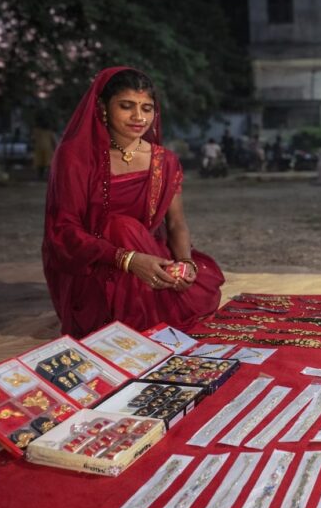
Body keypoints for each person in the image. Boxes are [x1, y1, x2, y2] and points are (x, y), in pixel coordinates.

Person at [42, 67, 224, 338]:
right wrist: (127, 259)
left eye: (147, 108)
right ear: (103, 107)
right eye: (126, 106)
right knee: (122, 227)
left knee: (134, 235)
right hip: (91, 265)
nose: (139, 117)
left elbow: (176, 224)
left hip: (149, 258)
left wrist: (185, 262)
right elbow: (64, 231)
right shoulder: (76, 157)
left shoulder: (165, 161)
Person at [31, 114, 57, 180]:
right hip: (48, 148)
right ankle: (48, 177)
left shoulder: (36, 130)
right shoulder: (49, 131)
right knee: (48, 164)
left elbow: (33, 139)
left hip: (38, 148)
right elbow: (54, 140)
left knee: (39, 164)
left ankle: (39, 177)